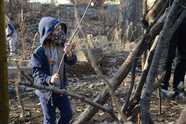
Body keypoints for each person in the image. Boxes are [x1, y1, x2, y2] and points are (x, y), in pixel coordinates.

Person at [30, 17, 77, 124]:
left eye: (61, 29)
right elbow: (36, 72)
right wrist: (49, 79)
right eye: (57, 30)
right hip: (46, 93)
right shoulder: (39, 52)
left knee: (67, 114)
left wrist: (69, 54)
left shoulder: (61, 48)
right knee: (49, 119)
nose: (60, 32)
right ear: (48, 33)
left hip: (61, 90)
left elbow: (71, 61)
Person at [161, 17, 186, 93]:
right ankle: (163, 85)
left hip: (184, 25)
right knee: (168, 56)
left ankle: (178, 86)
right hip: (171, 24)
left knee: (183, 57)